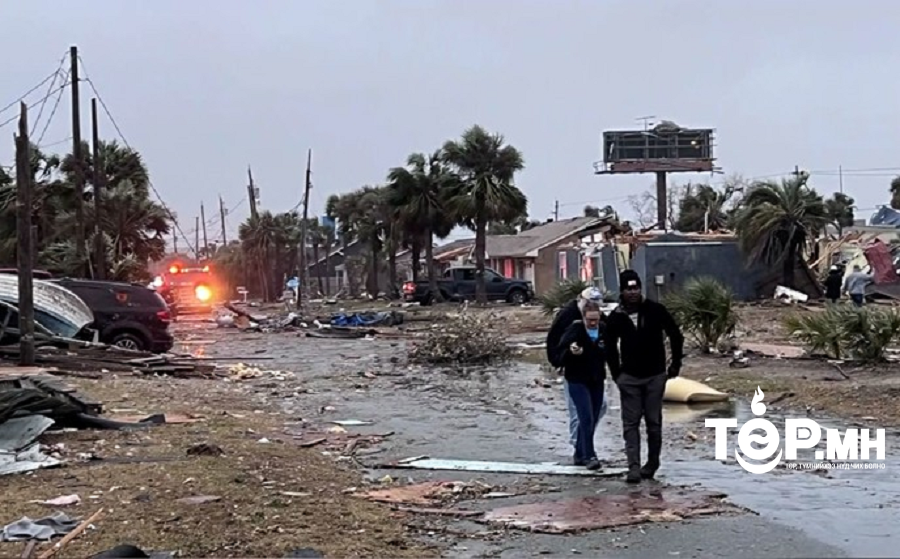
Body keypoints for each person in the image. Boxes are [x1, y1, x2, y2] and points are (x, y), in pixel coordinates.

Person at [604, 270, 684, 484]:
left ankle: (652, 463)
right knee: (630, 424)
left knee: (653, 422)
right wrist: (617, 374)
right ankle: (633, 466)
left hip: (655, 376)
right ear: (622, 291)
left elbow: (675, 335)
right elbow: (609, 347)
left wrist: (675, 364)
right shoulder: (616, 317)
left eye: (636, 288)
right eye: (628, 289)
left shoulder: (655, 310)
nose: (633, 292)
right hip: (629, 378)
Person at [546, 287, 609, 462]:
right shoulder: (569, 318)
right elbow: (554, 339)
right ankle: (582, 450)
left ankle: (582, 447)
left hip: (595, 375)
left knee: (597, 409)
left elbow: (608, 344)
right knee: (580, 413)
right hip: (574, 373)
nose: (593, 322)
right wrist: (559, 361)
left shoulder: (602, 323)